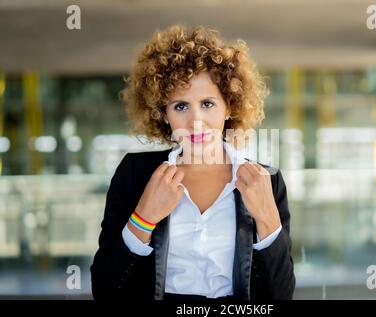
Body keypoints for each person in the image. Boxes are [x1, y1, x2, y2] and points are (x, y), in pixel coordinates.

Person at [90, 24, 295, 300]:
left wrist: (267, 221)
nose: (196, 122)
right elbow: (105, 289)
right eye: (181, 106)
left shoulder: (266, 180)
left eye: (208, 104)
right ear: (163, 113)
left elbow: (280, 296)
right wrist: (144, 218)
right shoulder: (134, 174)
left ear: (229, 106)